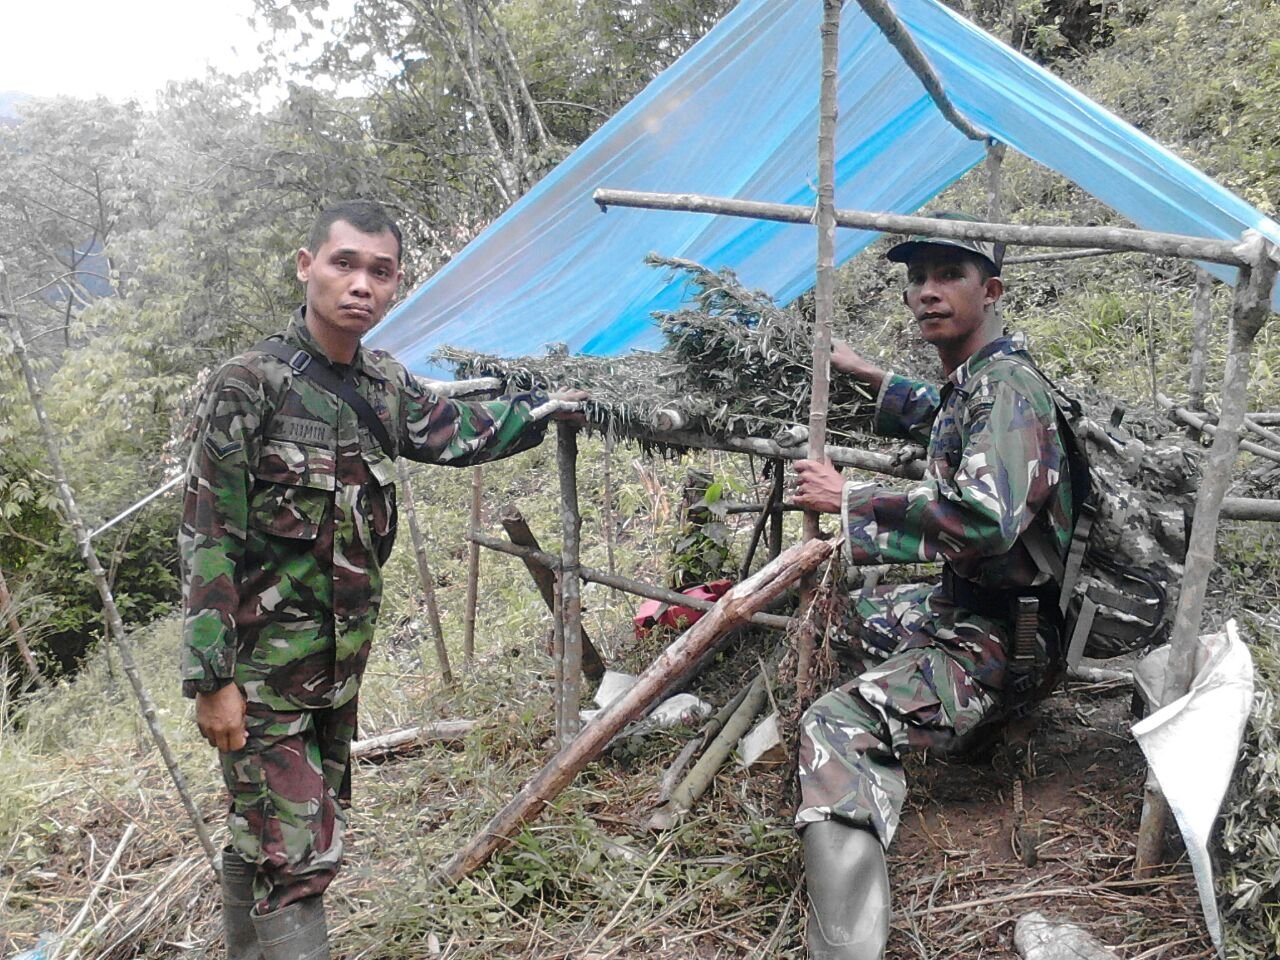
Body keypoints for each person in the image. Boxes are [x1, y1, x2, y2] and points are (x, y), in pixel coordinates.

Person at [179, 199, 585, 960]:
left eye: (380, 271)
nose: (360, 283)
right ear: (307, 267)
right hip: (260, 678)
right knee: (299, 859)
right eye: (344, 263)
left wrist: (550, 409)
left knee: (267, 834)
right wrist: (211, 680)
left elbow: (457, 433)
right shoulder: (249, 385)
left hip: (335, 675)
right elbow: (208, 536)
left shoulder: (382, 385)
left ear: (395, 285)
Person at [790, 213, 1077, 960]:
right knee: (840, 619)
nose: (926, 292)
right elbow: (942, 414)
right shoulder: (978, 383)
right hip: (968, 610)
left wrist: (850, 499)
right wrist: (867, 374)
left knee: (834, 723)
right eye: (917, 278)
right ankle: (958, 729)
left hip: (1006, 637)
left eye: (948, 275)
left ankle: (846, 950)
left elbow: (987, 522)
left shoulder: (1009, 393)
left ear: (993, 289)